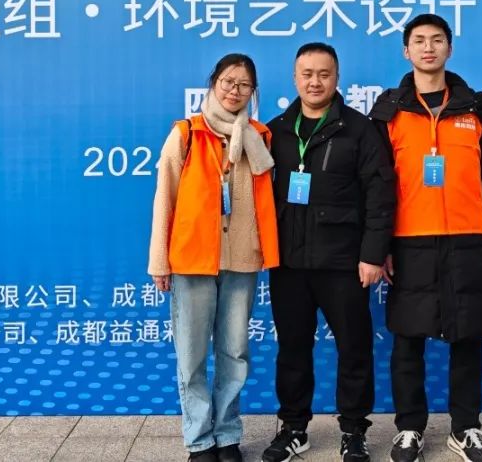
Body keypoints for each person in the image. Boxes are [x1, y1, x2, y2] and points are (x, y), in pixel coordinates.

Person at [368, 15, 482, 462]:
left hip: (467, 239)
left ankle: (466, 427)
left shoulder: (474, 109)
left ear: (449, 48)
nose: (428, 47)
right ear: (406, 51)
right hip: (409, 241)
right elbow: (377, 186)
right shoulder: (388, 112)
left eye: (436, 40)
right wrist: (379, 247)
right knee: (407, 338)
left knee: (468, 336)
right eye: (419, 41)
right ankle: (409, 428)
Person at [261, 43, 395, 462]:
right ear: (294, 78)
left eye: (324, 74)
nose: (315, 82)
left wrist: (372, 255)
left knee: (354, 348)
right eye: (307, 74)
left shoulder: (359, 129)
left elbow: (380, 195)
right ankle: (293, 428)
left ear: (337, 78)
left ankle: (354, 431)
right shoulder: (275, 131)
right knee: (292, 349)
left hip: (344, 263)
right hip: (289, 264)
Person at [148, 53, 280, 462]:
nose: (235, 91)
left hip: (242, 260)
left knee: (234, 353)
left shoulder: (260, 137)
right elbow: (165, 199)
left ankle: (227, 435)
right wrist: (160, 262)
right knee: (191, 356)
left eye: (244, 85)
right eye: (228, 81)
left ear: (253, 92)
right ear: (213, 83)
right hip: (192, 261)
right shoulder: (186, 134)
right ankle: (199, 440)